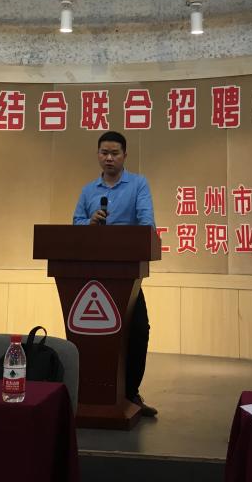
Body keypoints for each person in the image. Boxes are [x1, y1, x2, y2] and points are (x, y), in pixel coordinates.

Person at [73, 130, 157, 417]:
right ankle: (90, 392)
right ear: (98, 155)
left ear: (124, 155)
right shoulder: (88, 191)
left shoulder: (138, 184)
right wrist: (89, 225)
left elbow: (147, 225)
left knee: (138, 330)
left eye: (114, 153)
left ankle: (131, 393)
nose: (109, 158)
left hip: (126, 275)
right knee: (94, 333)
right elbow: (75, 224)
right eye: (104, 153)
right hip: (92, 274)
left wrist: (118, 236)